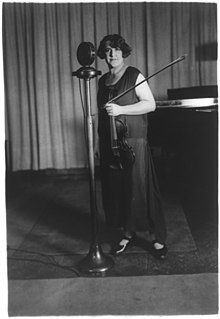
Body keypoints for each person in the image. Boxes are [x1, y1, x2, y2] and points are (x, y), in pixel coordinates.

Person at [95, 34, 167, 259]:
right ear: (103, 54)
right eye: (107, 50)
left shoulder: (134, 75)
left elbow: (150, 105)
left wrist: (121, 110)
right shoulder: (102, 81)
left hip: (134, 142)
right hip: (111, 144)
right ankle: (128, 233)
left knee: (141, 188)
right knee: (118, 191)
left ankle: (157, 238)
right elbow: (102, 115)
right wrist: (100, 143)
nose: (112, 54)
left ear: (123, 52)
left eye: (116, 49)